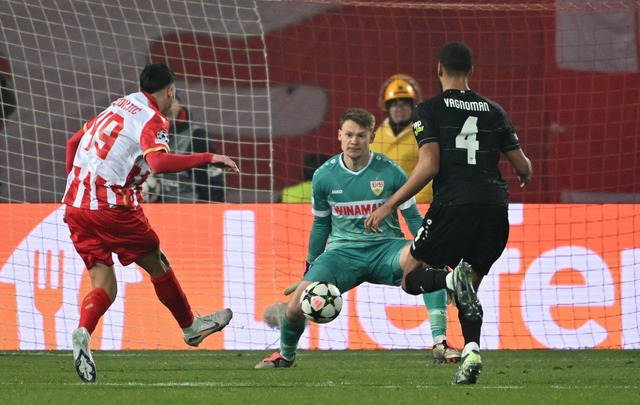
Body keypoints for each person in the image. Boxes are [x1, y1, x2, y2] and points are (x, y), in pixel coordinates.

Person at [365, 42, 533, 385]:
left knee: (411, 277)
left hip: (454, 205)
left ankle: (449, 281)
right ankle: (471, 350)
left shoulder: (429, 110)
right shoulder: (494, 110)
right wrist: (525, 174)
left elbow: (429, 165)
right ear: (470, 71)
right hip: (495, 209)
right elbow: (523, 166)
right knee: (469, 288)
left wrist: (388, 205)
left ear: (439, 69)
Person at [62, 62, 240, 383]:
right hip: (111, 206)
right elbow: (157, 163)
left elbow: (73, 144)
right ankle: (191, 327)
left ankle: (82, 332)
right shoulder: (154, 119)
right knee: (157, 261)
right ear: (170, 91)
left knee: (104, 285)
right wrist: (208, 157)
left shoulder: (120, 104)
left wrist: (81, 185)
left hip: (75, 203)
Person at [255, 108, 459, 370]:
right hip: (342, 255)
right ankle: (285, 356)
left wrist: (435, 255)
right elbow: (321, 225)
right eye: (349, 134)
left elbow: (413, 219)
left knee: (426, 261)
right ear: (339, 135)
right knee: (295, 308)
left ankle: (440, 343)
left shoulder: (391, 172)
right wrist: (310, 267)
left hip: (387, 250)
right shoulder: (324, 176)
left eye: (361, 135)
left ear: (371, 137)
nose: (354, 141)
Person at [144, 91, 225, 202]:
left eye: (170, 101)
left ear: (179, 104)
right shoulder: (140, 133)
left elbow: (213, 182)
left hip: (186, 212)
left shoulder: (196, 136)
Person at [371, 74, 433, 203]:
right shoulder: (378, 135)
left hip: (416, 205)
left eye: (404, 104)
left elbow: (430, 173)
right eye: (394, 104)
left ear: (412, 106)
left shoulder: (424, 133)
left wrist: (409, 202)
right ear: (387, 107)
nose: (399, 109)